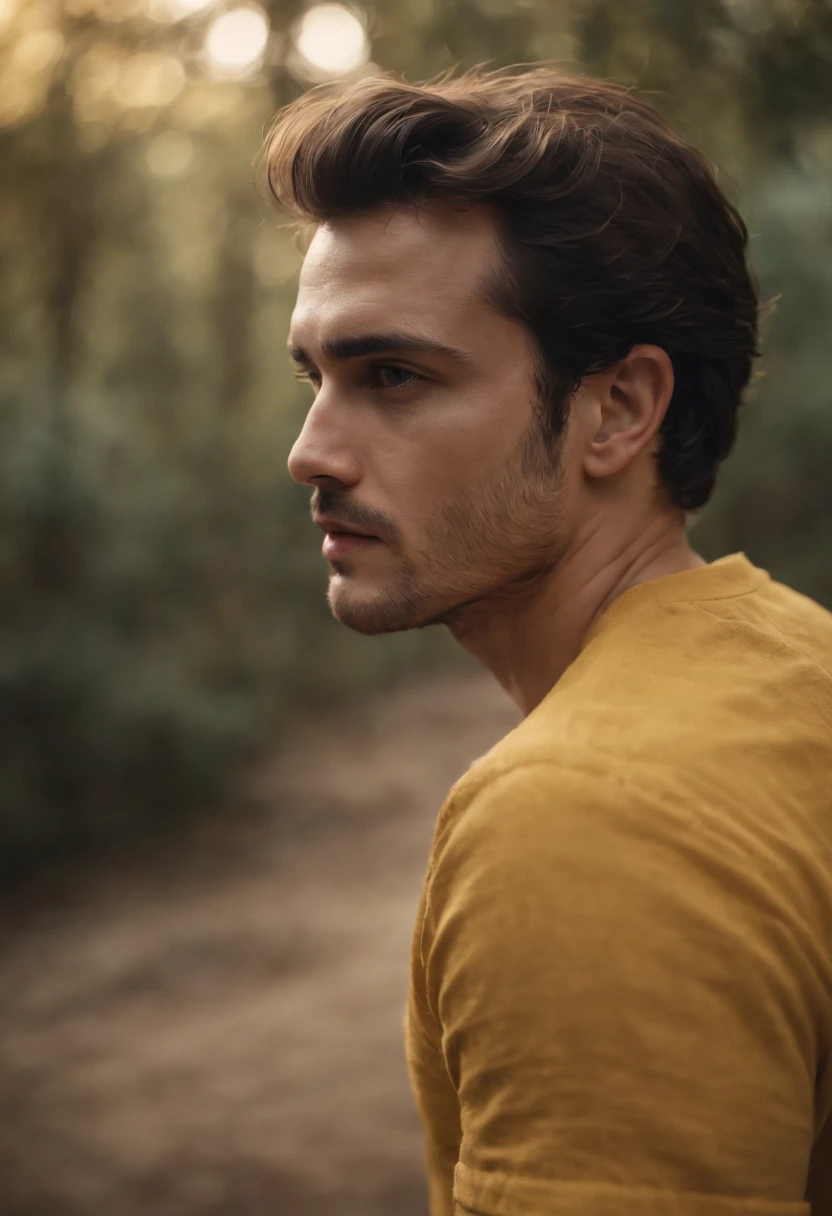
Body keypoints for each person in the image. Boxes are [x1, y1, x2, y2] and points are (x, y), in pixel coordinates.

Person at [263, 67, 832, 1216]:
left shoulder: (585, 812)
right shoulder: (792, 663)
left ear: (617, 409)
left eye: (395, 377)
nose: (310, 452)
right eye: (315, 378)